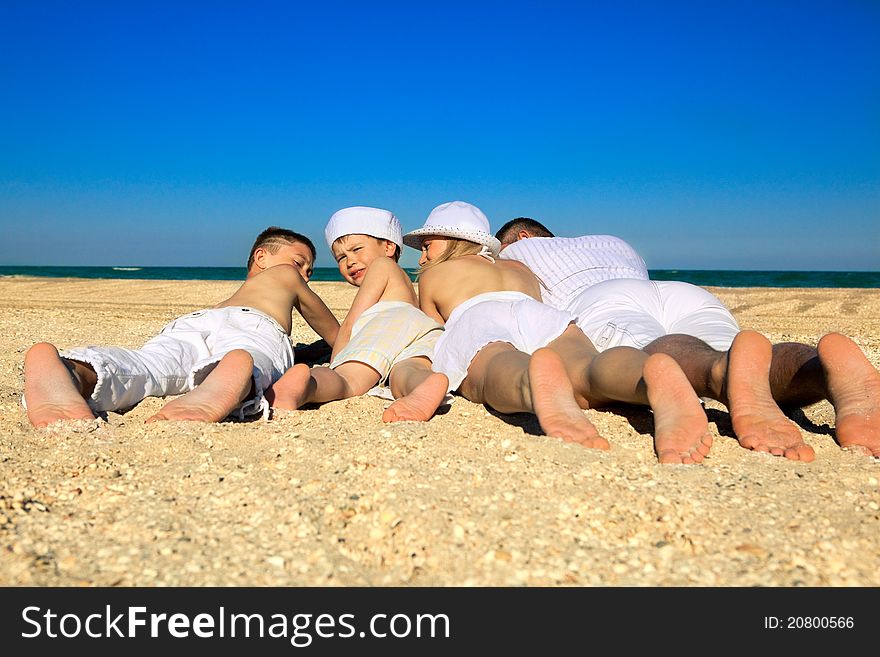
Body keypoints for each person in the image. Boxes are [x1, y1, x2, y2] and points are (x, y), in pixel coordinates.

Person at [496, 217, 880, 459]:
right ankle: (819, 369)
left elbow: (507, 297)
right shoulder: (608, 241)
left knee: (668, 355)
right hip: (683, 293)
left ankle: (720, 370)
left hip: (603, 301)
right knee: (745, 365)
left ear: (524, 236)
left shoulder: (516, 254)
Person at [387, 201, 714, 464]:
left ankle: (531, 383)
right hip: (542, 316)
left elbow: (433, 331)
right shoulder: (517, 267)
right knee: (585, 367)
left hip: (478, 316)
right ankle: (643, 375)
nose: (424, 254)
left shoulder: (436, 273)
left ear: (454, 241)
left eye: (428, 245)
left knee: (497, 366)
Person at [23, 227, 340, 426]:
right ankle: (237, 371)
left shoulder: (228, 301)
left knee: (148, 367)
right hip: (254, 327)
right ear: (262, 256)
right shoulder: (285, 277)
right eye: (300, 263)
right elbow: (333, 332)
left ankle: (73, 372)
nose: (306, 274)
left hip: (192, 324)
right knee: (254, 357)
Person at [264, 207, 449, 419]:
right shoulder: (404, 282)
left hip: (389, 323)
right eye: (341, 258)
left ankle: (308, 386)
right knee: (408, 369)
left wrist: (337, 362)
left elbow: (352, 321)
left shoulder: (382, 266)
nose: (349, 261)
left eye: (357, 249)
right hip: (422, 331)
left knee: (347, 379)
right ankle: (422, 384)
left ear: (389, 246)